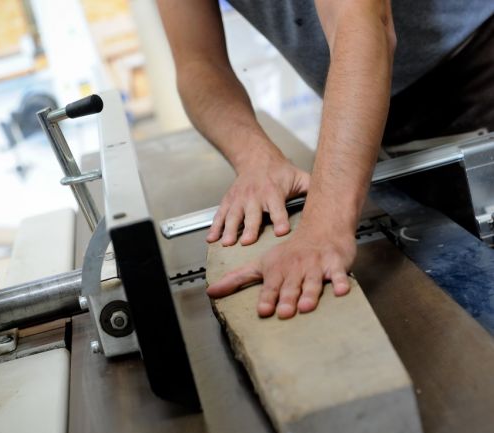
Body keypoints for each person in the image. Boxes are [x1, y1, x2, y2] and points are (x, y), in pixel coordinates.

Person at [158, 0, 494, 319]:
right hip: (377, 102)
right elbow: (199, 63)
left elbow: (360, 20)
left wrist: (325, 225)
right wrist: (256, 159)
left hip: (475, 71)